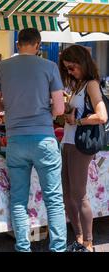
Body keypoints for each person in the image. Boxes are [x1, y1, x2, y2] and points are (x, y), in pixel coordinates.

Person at [0, 28, 67, 252]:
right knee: (53, 200)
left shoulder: (3, 66)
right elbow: (60, 108)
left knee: (18, 200)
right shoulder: (50, 67)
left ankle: (23, 248)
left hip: (15, 139)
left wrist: (11, 107)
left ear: (18, 44)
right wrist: (45, 109)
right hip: (44, 138)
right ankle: (58, 248)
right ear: (37, 45)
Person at [59, 45, 108, 252]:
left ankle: (88, 243)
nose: (70, 72)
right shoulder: (78, 85)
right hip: (68, 142)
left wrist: (77, 121)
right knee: (67, 195)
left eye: (72, 68)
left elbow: (102, 116)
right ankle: (79, 238)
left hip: (80, 144)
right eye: (67, 69)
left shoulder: (91, 84)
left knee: (78, 194)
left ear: (82, 63)